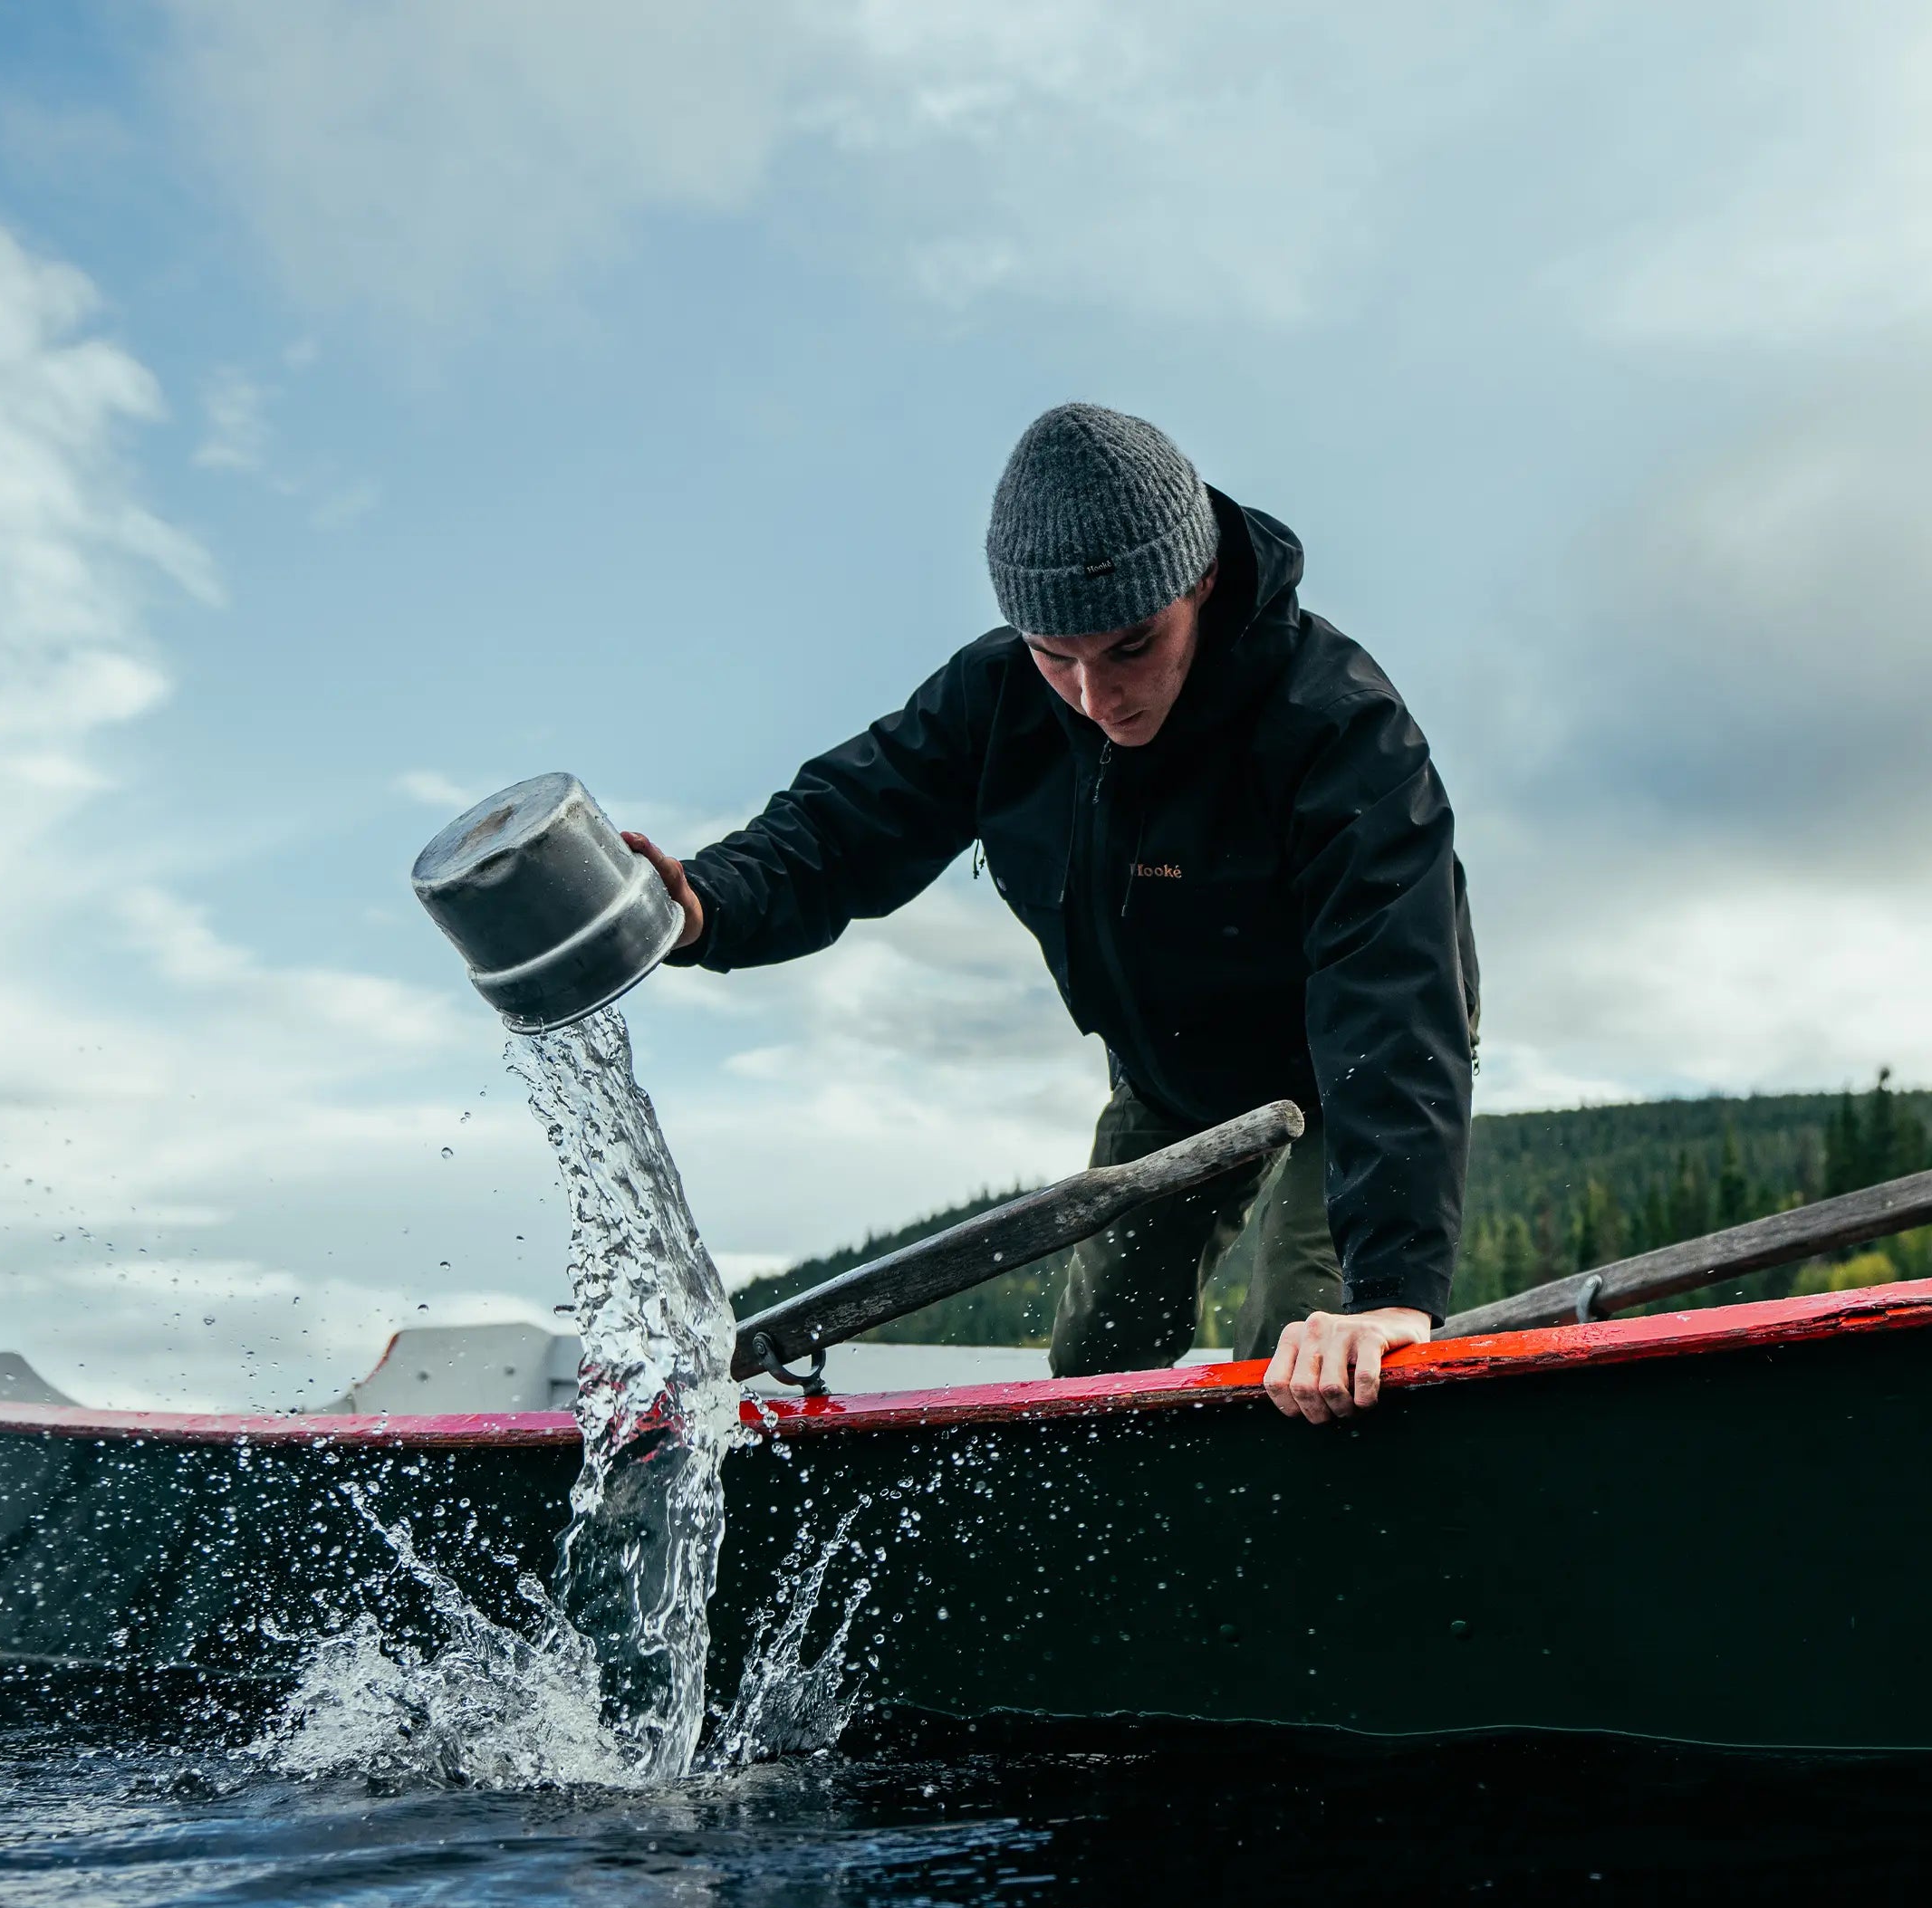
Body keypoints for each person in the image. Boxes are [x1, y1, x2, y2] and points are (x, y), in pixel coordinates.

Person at [626, 404, 1478, 1423]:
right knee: (1093, 1364)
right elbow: (842, 826)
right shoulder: (996, 701)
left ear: (1199, 581)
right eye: (1054, 655)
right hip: (1167, 1074)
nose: (1094, 697)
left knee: (1305, 1360)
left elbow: (1394, 994)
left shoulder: (1340, 728)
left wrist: (1387, 1297)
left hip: (1344, 1071)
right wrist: (701, 904)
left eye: (1130, 646)